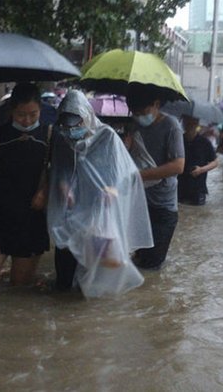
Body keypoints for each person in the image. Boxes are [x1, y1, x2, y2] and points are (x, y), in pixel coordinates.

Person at [47, 90, 153, 296]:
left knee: (96, 270)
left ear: (86, 117)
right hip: (71, 212)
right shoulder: (62, 138)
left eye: (75, 126)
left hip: (98, 212)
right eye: (65, 127)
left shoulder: (107, 138)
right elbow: (60, 169)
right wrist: (62, 185)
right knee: (64, 276)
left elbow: (124, 172)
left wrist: (113, 189)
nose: (70, 131)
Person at [0, 83, 50, 287]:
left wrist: (45, 192)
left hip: (31, 217)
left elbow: (58, 174)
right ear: (11, 111)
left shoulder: (49, 136)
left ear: (40, 110)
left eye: (33, 114)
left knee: (19, 287)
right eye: (20, 114)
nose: (26, 120)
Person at [125, 89, 185, 270]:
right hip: (140, 203)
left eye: (143, 113)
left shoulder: (171, 126)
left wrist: (141, 175)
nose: (139, 117)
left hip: (163, 207)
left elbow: (178, 166)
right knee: (137, 259)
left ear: (156, 105)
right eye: (134, 113)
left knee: (152, 265)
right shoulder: (134, 126)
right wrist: (126, 148)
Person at [178, 115, 219, 205]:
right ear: (184, 123)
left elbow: (215, 162)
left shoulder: (204, 142)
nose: (190, 125)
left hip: (198, 188)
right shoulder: (178, 140)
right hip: (180, 186)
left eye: (192, 123)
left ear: (197, 124)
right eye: (187, 123)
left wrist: (201, 170)